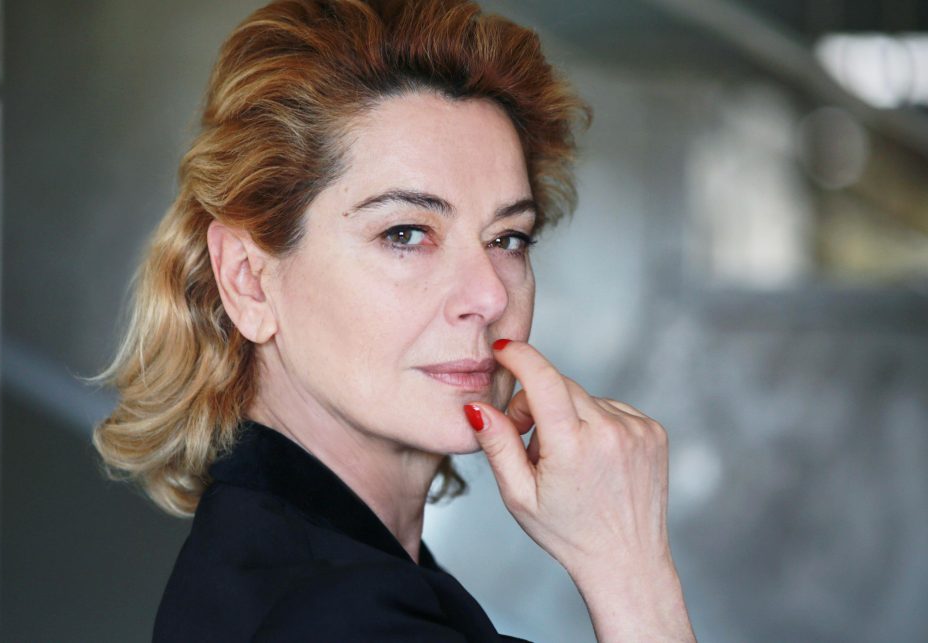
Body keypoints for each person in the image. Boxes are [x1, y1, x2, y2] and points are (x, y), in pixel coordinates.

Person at [93, 0, 696, 640]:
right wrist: (629, 570)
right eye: (405, 233)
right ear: (248, 279)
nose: (489, 295)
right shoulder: (334, 615)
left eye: (508, 239)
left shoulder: (341, 578)